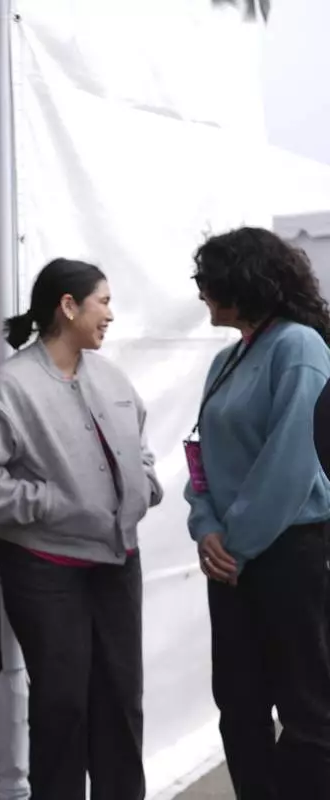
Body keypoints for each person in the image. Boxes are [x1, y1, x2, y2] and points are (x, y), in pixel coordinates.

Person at [0, 258, 162, 800]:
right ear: (68, 307)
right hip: (45, 568)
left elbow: (140, 445)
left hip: (118, 560)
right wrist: (47, 503)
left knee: (121, 698)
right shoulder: (9, 388)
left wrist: (145, 482)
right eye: (104, 302)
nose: (110, 315)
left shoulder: (112, 378)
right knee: (63, 702)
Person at [186, 227, 330, 799]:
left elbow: (292, 460)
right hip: (233, 557)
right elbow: (202, 454)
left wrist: (234, 545)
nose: (200, 292)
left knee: (308, 707)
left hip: (289, 553)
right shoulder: (227, 359)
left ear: (245, 281)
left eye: (208, 280)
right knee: (239, 705)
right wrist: (206, 527)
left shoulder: (300, 347)